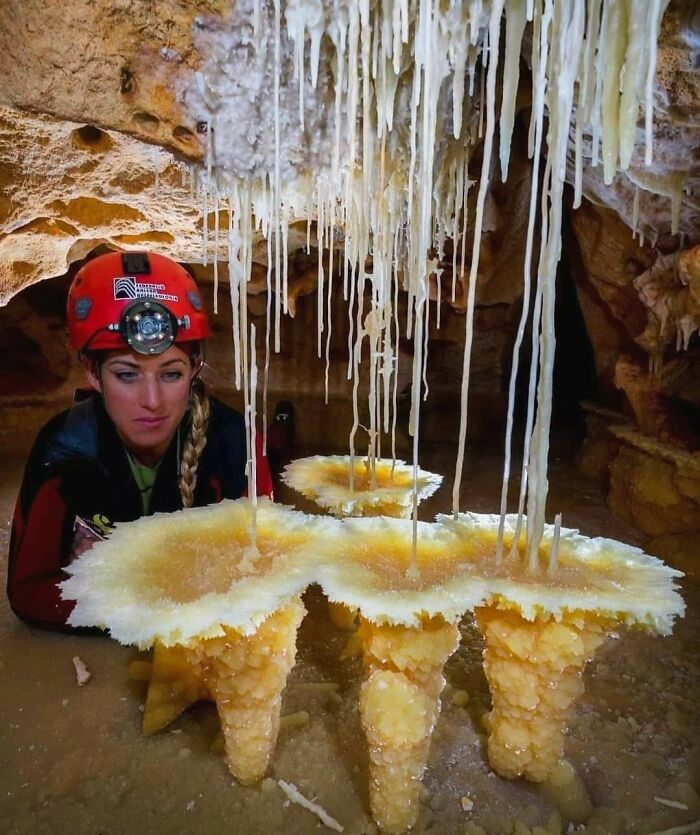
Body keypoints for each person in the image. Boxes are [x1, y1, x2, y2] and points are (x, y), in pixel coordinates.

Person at [7, 250, 273, 632]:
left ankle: (282, 425)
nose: (152, 401)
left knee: (275, 452)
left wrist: (109, 583)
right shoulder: (64, 449)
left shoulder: (237, 444)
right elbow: (28, 592)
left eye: (171, 374)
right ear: (93, 374)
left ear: (195, 366)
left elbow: (265, 579)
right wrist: (171, 593)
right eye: (127, 375)